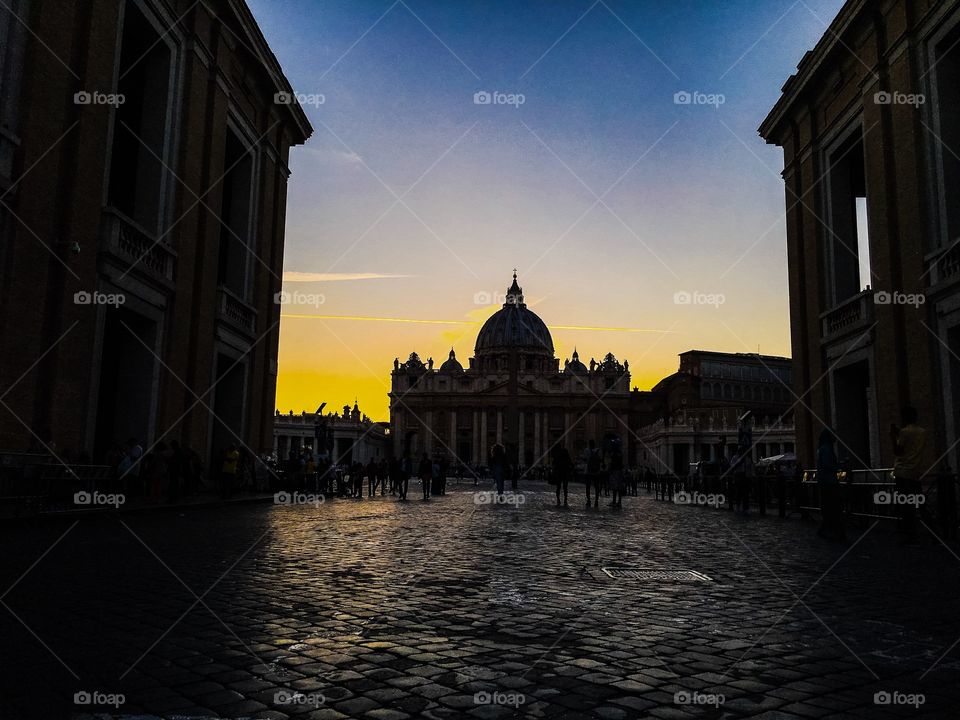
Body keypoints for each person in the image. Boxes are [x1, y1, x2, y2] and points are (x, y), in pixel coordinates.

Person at [891, 406, 928, 545]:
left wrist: (893, 437)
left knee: (905, 504)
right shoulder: (922, 432)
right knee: (920, 503)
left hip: (902, 472)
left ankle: (909, 534)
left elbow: (898, 451)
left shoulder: (904, 433)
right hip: (915, 472)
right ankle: (933, 531)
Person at [816, 428, 844, 540]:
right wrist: (840, 467)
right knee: (834, 507)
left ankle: (826, 528)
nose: (835, 437)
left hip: (824, 482)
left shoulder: (822, 449)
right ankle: (834, 531)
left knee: (828, 507)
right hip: (829, 482)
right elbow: (828, 465)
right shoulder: (827, 449)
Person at [585, 440, 603, 508]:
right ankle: (596, 501)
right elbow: (601, 460)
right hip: (596, 472)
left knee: (588, 487)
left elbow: (585, 459)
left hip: (588, 471)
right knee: (596, 487)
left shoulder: (586, 450)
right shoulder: (598, 451)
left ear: (589, 444)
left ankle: (589, 500)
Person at [607, 440, 624, 508]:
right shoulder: (620, 453)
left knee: (614, 487)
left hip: (614, 471)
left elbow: (612, 463)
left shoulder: (614, 454)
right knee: (619, 487)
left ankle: (614, 501)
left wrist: (610, 469)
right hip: (619, 471)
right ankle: (619, 502)